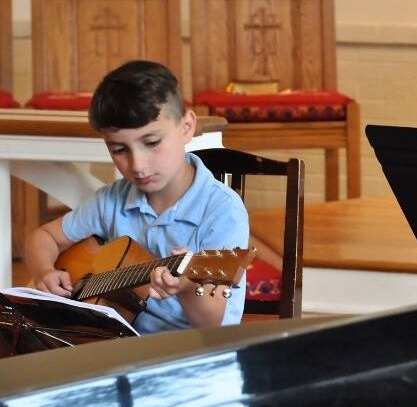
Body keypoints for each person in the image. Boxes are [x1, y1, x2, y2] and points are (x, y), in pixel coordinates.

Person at [24, 60, 250, 334]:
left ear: (187, 127)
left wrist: (186, 287)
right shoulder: (112, 201)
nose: (138, 165)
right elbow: (44, 237)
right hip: (116, 345)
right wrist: (45, 272)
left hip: (194, 352)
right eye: (119, 149)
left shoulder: (222, 210)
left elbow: (209, 324)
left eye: (152, 143)